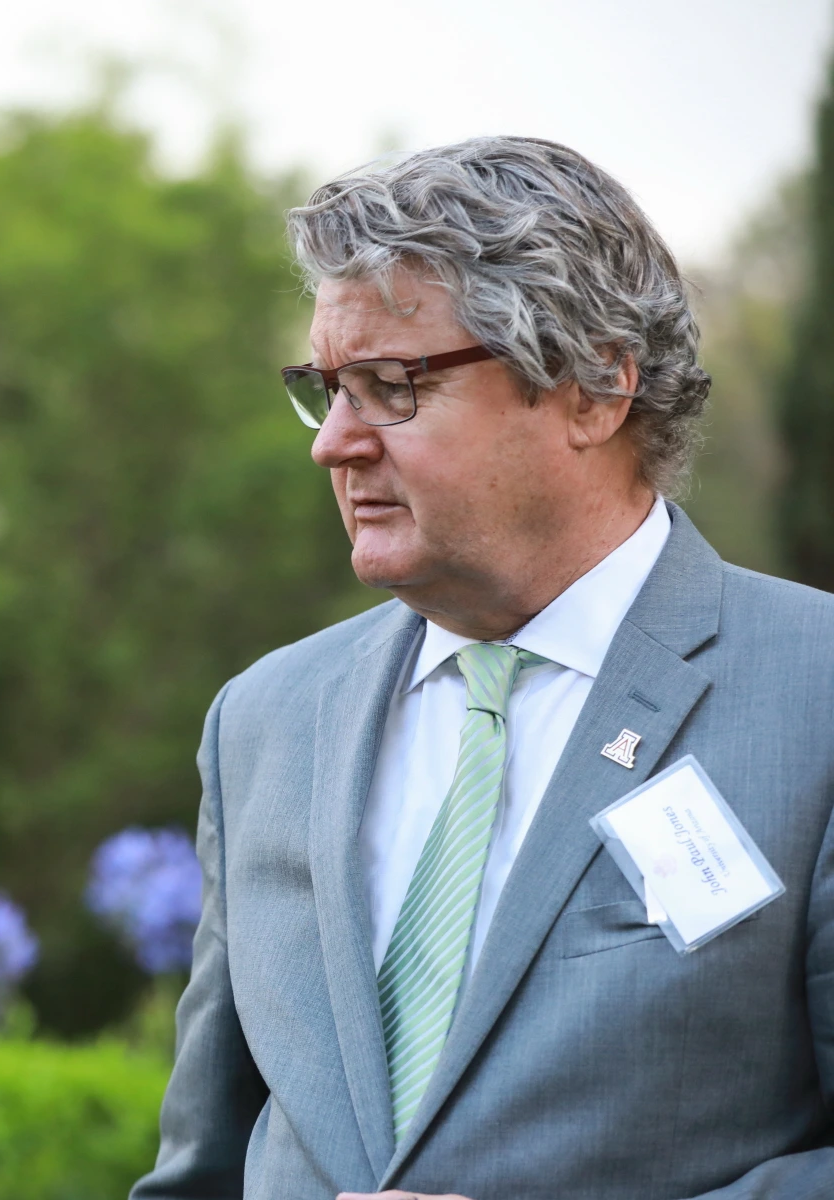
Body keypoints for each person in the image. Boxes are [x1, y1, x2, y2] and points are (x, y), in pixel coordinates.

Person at [131, 137, 834, 1199]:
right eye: (326, 387)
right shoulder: (264, 720)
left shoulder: (812, 696)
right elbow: (204, 1172)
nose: (334, 441)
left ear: (596, 390)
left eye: (391, 385)